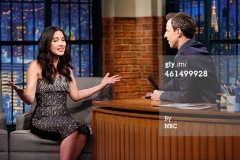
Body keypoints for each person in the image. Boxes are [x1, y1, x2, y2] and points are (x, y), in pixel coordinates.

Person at [8, 26, 121, 160]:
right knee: (72, 128)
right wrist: (20, 93)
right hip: (42, 119)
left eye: (63, 40)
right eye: (56, 40)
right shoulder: (36, 65)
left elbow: (76, 95)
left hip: (63, 117)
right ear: (47, 43)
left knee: (83, 130)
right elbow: (29, 99)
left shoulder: (66, 67)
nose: (61, 43)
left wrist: (101, 85)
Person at [151, 12, 220, 103]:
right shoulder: (199, 49)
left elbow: (186, 97)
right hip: (212, 108)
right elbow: (182, 79)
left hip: (200, 114)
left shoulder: (184, 56)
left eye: (167, 31)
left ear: (178, 32)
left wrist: (161, 95)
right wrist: (159, 91)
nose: (165, 35)